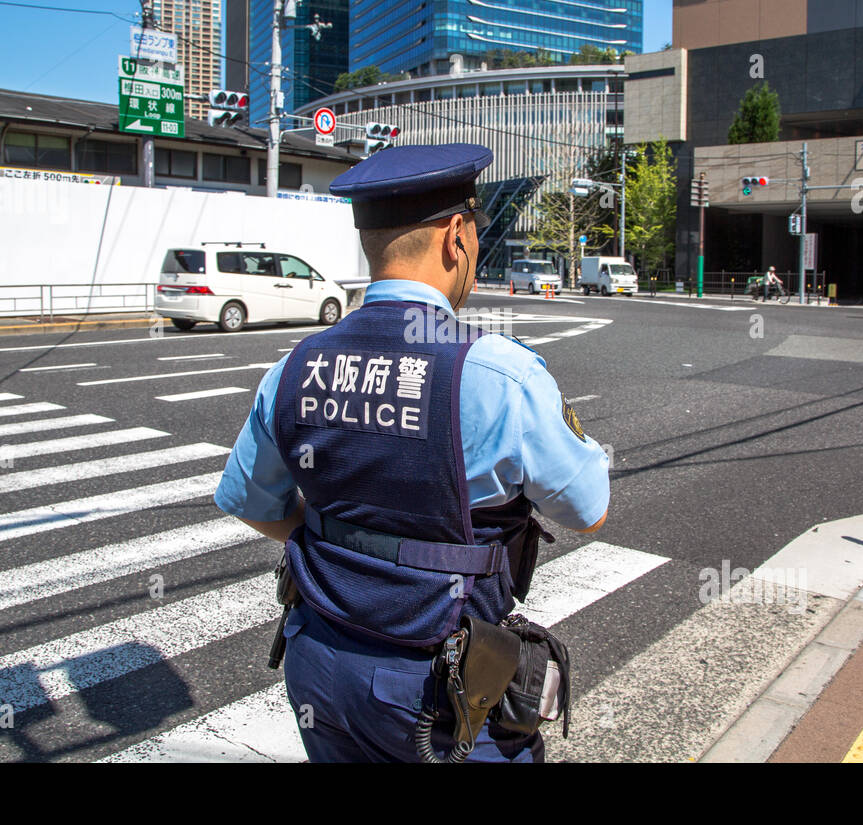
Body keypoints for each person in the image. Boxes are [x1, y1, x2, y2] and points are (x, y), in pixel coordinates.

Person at [214, 143, 611, 763]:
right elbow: (588, 508)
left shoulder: (296, 366)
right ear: (456, 236)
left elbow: (249, 500)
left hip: (319, 657)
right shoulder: (498, 373)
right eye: (475, 236)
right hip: (443, 682)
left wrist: (344, 545)